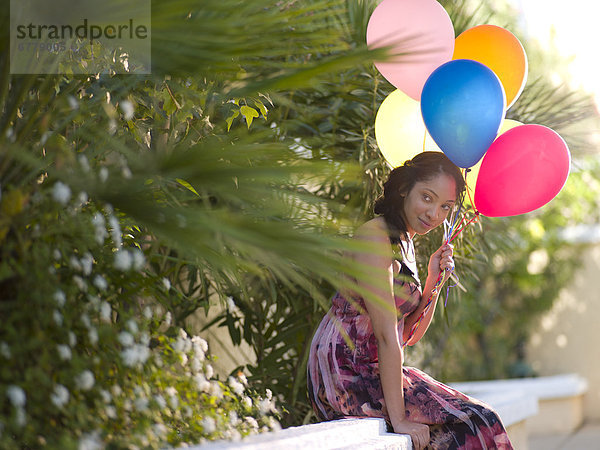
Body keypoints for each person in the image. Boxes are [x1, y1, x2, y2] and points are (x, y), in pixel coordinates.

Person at [307, 152, 513, 449]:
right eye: (427, 198)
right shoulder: (374, 237)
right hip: (346, 371)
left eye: (445, 206)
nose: (434, 214)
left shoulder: (404, 241)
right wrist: (400, 418)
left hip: (374, 366)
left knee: (478, 421)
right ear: (404, 189)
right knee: (476, 423)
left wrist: (433, 282)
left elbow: (408, 336)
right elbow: (385, 334)